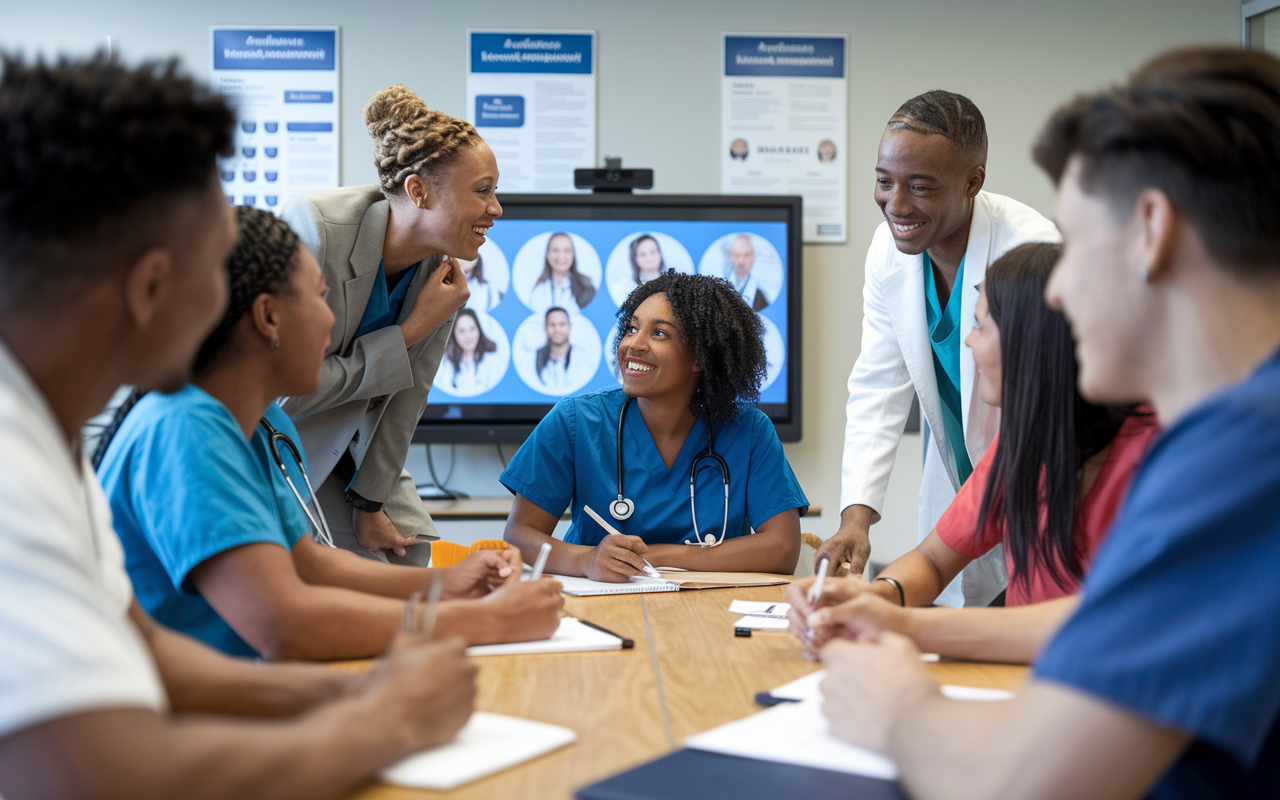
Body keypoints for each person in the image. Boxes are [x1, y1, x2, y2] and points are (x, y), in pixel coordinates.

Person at [0, 52, 476, 799]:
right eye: (222, 259)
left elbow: (145, 650)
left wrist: (346, 698)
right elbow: (91, 770)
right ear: (154, 285)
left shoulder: (49, 435)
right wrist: (386, 721)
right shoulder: (24, 463)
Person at [816, 48, 1280, 799]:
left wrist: (896, 704)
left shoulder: (1240, 457)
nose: (1055, 293)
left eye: (1075, 246)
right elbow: (1108, 625)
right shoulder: (1236, 432)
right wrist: (903, 623)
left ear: (1150, 230)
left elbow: (1020, 782)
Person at [96, 206, 562, 661]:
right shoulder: (185, 431)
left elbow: (309, 565)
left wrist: (449, 583)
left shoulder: (265, 423)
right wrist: (489, 623)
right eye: (320, 298)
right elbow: (284, 623)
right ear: (268, 317)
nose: (330, 322)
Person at [787, 242, 1159, 664]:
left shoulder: (1156, 459)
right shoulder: (1021, 445)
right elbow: (932, 560)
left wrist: (899, 624)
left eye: (981, 327)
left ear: (1029, 343)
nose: (966, 341)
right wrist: (876, 597)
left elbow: (1104, 623)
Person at [818, 90, 1059, 609]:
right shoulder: (890, 250)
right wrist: (855, 517)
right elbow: (879, 385)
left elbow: (1048, 404)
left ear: (973, 181)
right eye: (884, 181)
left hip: (1036, 486)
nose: (896, 205)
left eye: (920, 186)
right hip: (965, 493)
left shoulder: (1031, 253)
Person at [280, 83, 497, 566]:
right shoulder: (316, 230)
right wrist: (409, 332)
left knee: (412, 555)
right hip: (282, 441)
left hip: (360, 452)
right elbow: (285, 395)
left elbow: (408, 396)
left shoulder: (439, 268)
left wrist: (369, 501)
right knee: (379, 589)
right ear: (418, 191)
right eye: (482, 192)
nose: (496, 209)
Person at [503, 272, 808, 580]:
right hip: (599, 604)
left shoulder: (750, 431)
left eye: (659, 333)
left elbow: (781, 549)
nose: (633, 344)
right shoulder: (576, 421)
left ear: (700, 357)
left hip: (712, 609)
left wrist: (652, 556)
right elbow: (520, 535)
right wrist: (587, 560)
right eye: (632, 328)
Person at [438, 307, 504, 396]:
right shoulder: (443, 363)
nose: (468, 336)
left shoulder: (493, 360)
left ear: (478, 329)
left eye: (472, 329)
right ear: (454, 333)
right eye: (462, 331)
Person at [527, 231, 596, 312]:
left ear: (573, 255)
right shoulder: (539, 290)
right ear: (547, 255)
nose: (561, 256)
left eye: (566, 251)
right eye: (555, 250)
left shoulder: (586, 288)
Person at [533, 306, 591, 393]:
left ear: (569, 326)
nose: (557, 330)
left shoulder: (583, 358)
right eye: (552, 325)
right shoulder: (532, 358)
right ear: (545, 327)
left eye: (562, 324)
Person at [723, 234, 772, 311]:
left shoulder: (760, 295)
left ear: (753, 257)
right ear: (730, 257)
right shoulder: (721, 287)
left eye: (746, 255)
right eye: (737, 255)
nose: (741, 261)